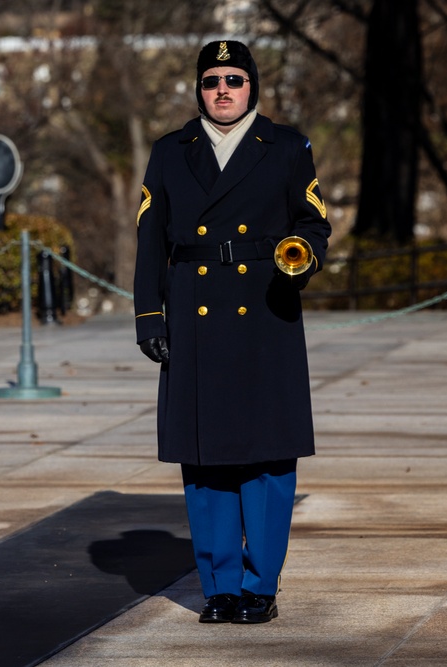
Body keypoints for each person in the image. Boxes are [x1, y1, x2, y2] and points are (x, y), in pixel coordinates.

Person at [133, 40, 331, 624]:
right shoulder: (170, 151)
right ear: (198, 87)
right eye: (212, 79)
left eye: (235, 80)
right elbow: (150, 240)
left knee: (269, 459)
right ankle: (219, 586)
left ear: (253, 87)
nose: (223, 90)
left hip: (266, 308)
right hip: (195, 309)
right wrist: (150, 316)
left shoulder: (288, 146)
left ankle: (260, 585)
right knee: (207, 455)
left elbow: (312, 223)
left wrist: (303, 257)